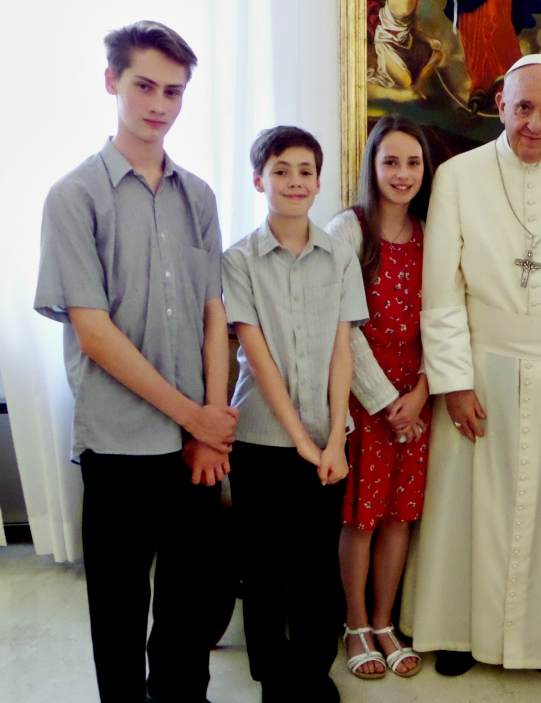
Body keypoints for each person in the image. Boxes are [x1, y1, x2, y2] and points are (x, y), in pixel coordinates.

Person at [401, 53, 541, 675]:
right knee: (465, 505)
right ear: (500, 103)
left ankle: (539, 638)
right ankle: (454, 631)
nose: (534, 123)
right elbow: (441, 292)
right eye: (523, 107)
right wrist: (452, 382)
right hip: (480, 366)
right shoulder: (459, 176)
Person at [33, 21, 235, 702]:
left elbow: (215, 317)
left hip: (192, 444)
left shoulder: (199, 196)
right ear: (112, 81)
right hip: (119, 442)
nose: (159, 103)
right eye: (145, 85)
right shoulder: (73, 196)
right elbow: (94, 332)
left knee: (191, 608)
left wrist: (204, 430)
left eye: (174, 91)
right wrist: (198, 420)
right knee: (118, 614)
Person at [222, 126, 368, 701]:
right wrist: (302, 444)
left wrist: (333, 439)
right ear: (260, 179)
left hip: (327, 441)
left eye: (305, 171)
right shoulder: (238, 260)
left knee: (315, 565)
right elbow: (256, 359)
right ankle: (273, 676)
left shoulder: (339, 256)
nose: (294, 181)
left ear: (318, 181)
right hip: (261, 439)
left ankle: (314, 670)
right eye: (281, 170)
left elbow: (342, 350)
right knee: (263, 568)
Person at [324, 115, 434, 680]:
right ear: (372, 165)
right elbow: (342, 326)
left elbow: (444, 320)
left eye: (412, 162)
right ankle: (356, 623)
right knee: (361, 518)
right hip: (365, 394)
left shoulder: (431, 230)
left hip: (418, 397)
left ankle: (387, 621)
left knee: (400, 515)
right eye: (390, 161)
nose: (402, 173)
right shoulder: (348, 229)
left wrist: (419, 393)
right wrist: (387, 399)